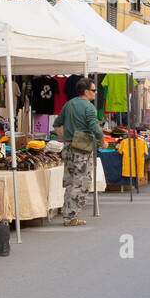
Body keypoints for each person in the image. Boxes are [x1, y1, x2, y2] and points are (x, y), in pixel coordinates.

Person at [51, 76, 104, 226]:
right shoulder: (89, 108)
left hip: (67, 146)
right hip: (82, 148)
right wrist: (103, 141)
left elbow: (56, 125)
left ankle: (67, 212)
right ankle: (70, 216)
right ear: (86, 91)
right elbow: (94, 127)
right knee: (81, 182)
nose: (95, 93)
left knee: (69, 181)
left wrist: (67, 138)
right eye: (93, 90)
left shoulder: (69, 104)